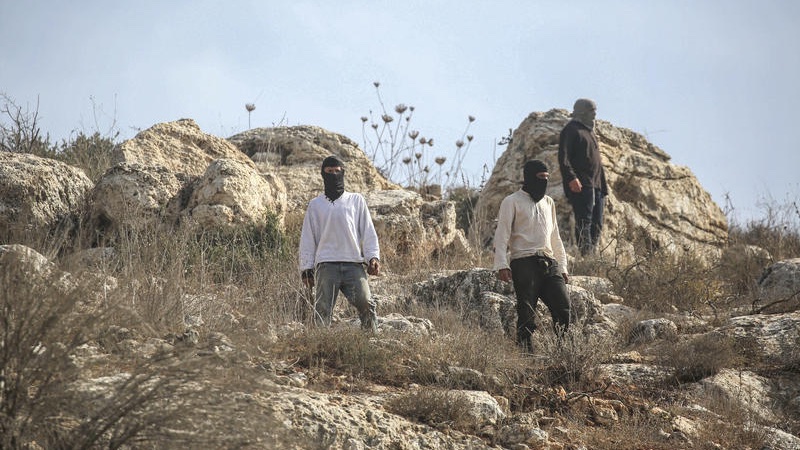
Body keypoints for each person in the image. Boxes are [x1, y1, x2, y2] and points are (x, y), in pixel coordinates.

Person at [493, 160, 571, 351]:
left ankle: (563, 352)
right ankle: (524, 353)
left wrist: (562, 266)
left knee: (563, 307)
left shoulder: (549, 202)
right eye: (539, 178)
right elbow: (502, 235)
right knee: (527, 312)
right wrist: (502, 264)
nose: (543, 181)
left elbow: (555, 237)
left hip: (549, 261)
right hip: (523, 262)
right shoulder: (511, 201)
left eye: (546, 178)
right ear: (528, 178)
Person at [299, 155, 381, 332]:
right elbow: (307, 238)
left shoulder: (356, 200)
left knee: (366, 303)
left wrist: (373, 257)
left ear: (343, 173)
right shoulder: (315, 205)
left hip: (353, 264)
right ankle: (320, 348)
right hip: (326, 265)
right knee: (322, 311)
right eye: (329, 172)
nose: (334, 175)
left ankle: (372, 341)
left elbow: (367, 231)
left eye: (337, 171)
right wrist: (306, 268)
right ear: (323, 174)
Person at [558, 98, 608, 256]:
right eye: (591, 110)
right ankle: (585, 255)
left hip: (597, 185)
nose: (594, 114)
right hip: (582, 184)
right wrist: (571, 178)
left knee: (597, 223)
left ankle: (591, 255)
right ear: (582, 112)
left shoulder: (590, 132)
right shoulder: (571, 129)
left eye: (594, 110)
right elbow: (563, 157)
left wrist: (603, 186)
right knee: (584, 221)